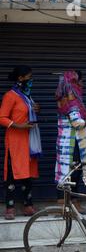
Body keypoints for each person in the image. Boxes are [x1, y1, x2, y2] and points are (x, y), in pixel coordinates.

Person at [0, 66, 41, 220]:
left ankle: (28, 206)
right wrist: (19, 125)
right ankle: (9, 208)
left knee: (27, 174)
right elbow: (2, 117)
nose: (31, 80)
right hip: (16, 142)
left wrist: (37, 109)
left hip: (29, 141)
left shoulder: (27, 96)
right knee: (12, 174)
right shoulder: (10, 96)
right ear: (20, 78)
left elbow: (27, 112)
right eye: (29, 77)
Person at [54, 71, 86, 211]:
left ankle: (70, 201)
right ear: (73, 83)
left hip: (68, 142)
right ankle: (67, 203)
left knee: (70, 172)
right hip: (72, 144)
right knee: (73, 172)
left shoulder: (64, 98)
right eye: (80, 81)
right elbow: (77, 122)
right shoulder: (70, 99)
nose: (82, 85)